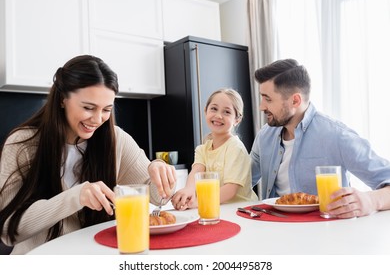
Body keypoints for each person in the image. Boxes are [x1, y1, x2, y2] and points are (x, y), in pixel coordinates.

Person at [0, 55, 176, 254]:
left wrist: (158, 170)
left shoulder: (116, 139)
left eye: (106, 109)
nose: (97, 119)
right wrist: (75, 197)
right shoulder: (22, 143)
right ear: (62, 99)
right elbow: (8, 230)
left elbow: (156, 197)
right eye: (88, 107)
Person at [251, 58, 390, 219]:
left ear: (295, 100)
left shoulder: (336, 136)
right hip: (272, 230)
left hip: (325, 234)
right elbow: (240, 182)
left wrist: (371, 200)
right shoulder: (264, 136)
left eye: (268, 99)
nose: (261, 106)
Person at [172, 88, 258, 210]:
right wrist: (188, 190)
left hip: (241, 210)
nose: (218, 116)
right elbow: (196, 172)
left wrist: (199, 202)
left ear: (237, 120)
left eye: (227, 112)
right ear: (205, 111)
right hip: (215, 208)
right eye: (214, 109)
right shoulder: (202, 149)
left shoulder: (235, 148)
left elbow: (230, 190)